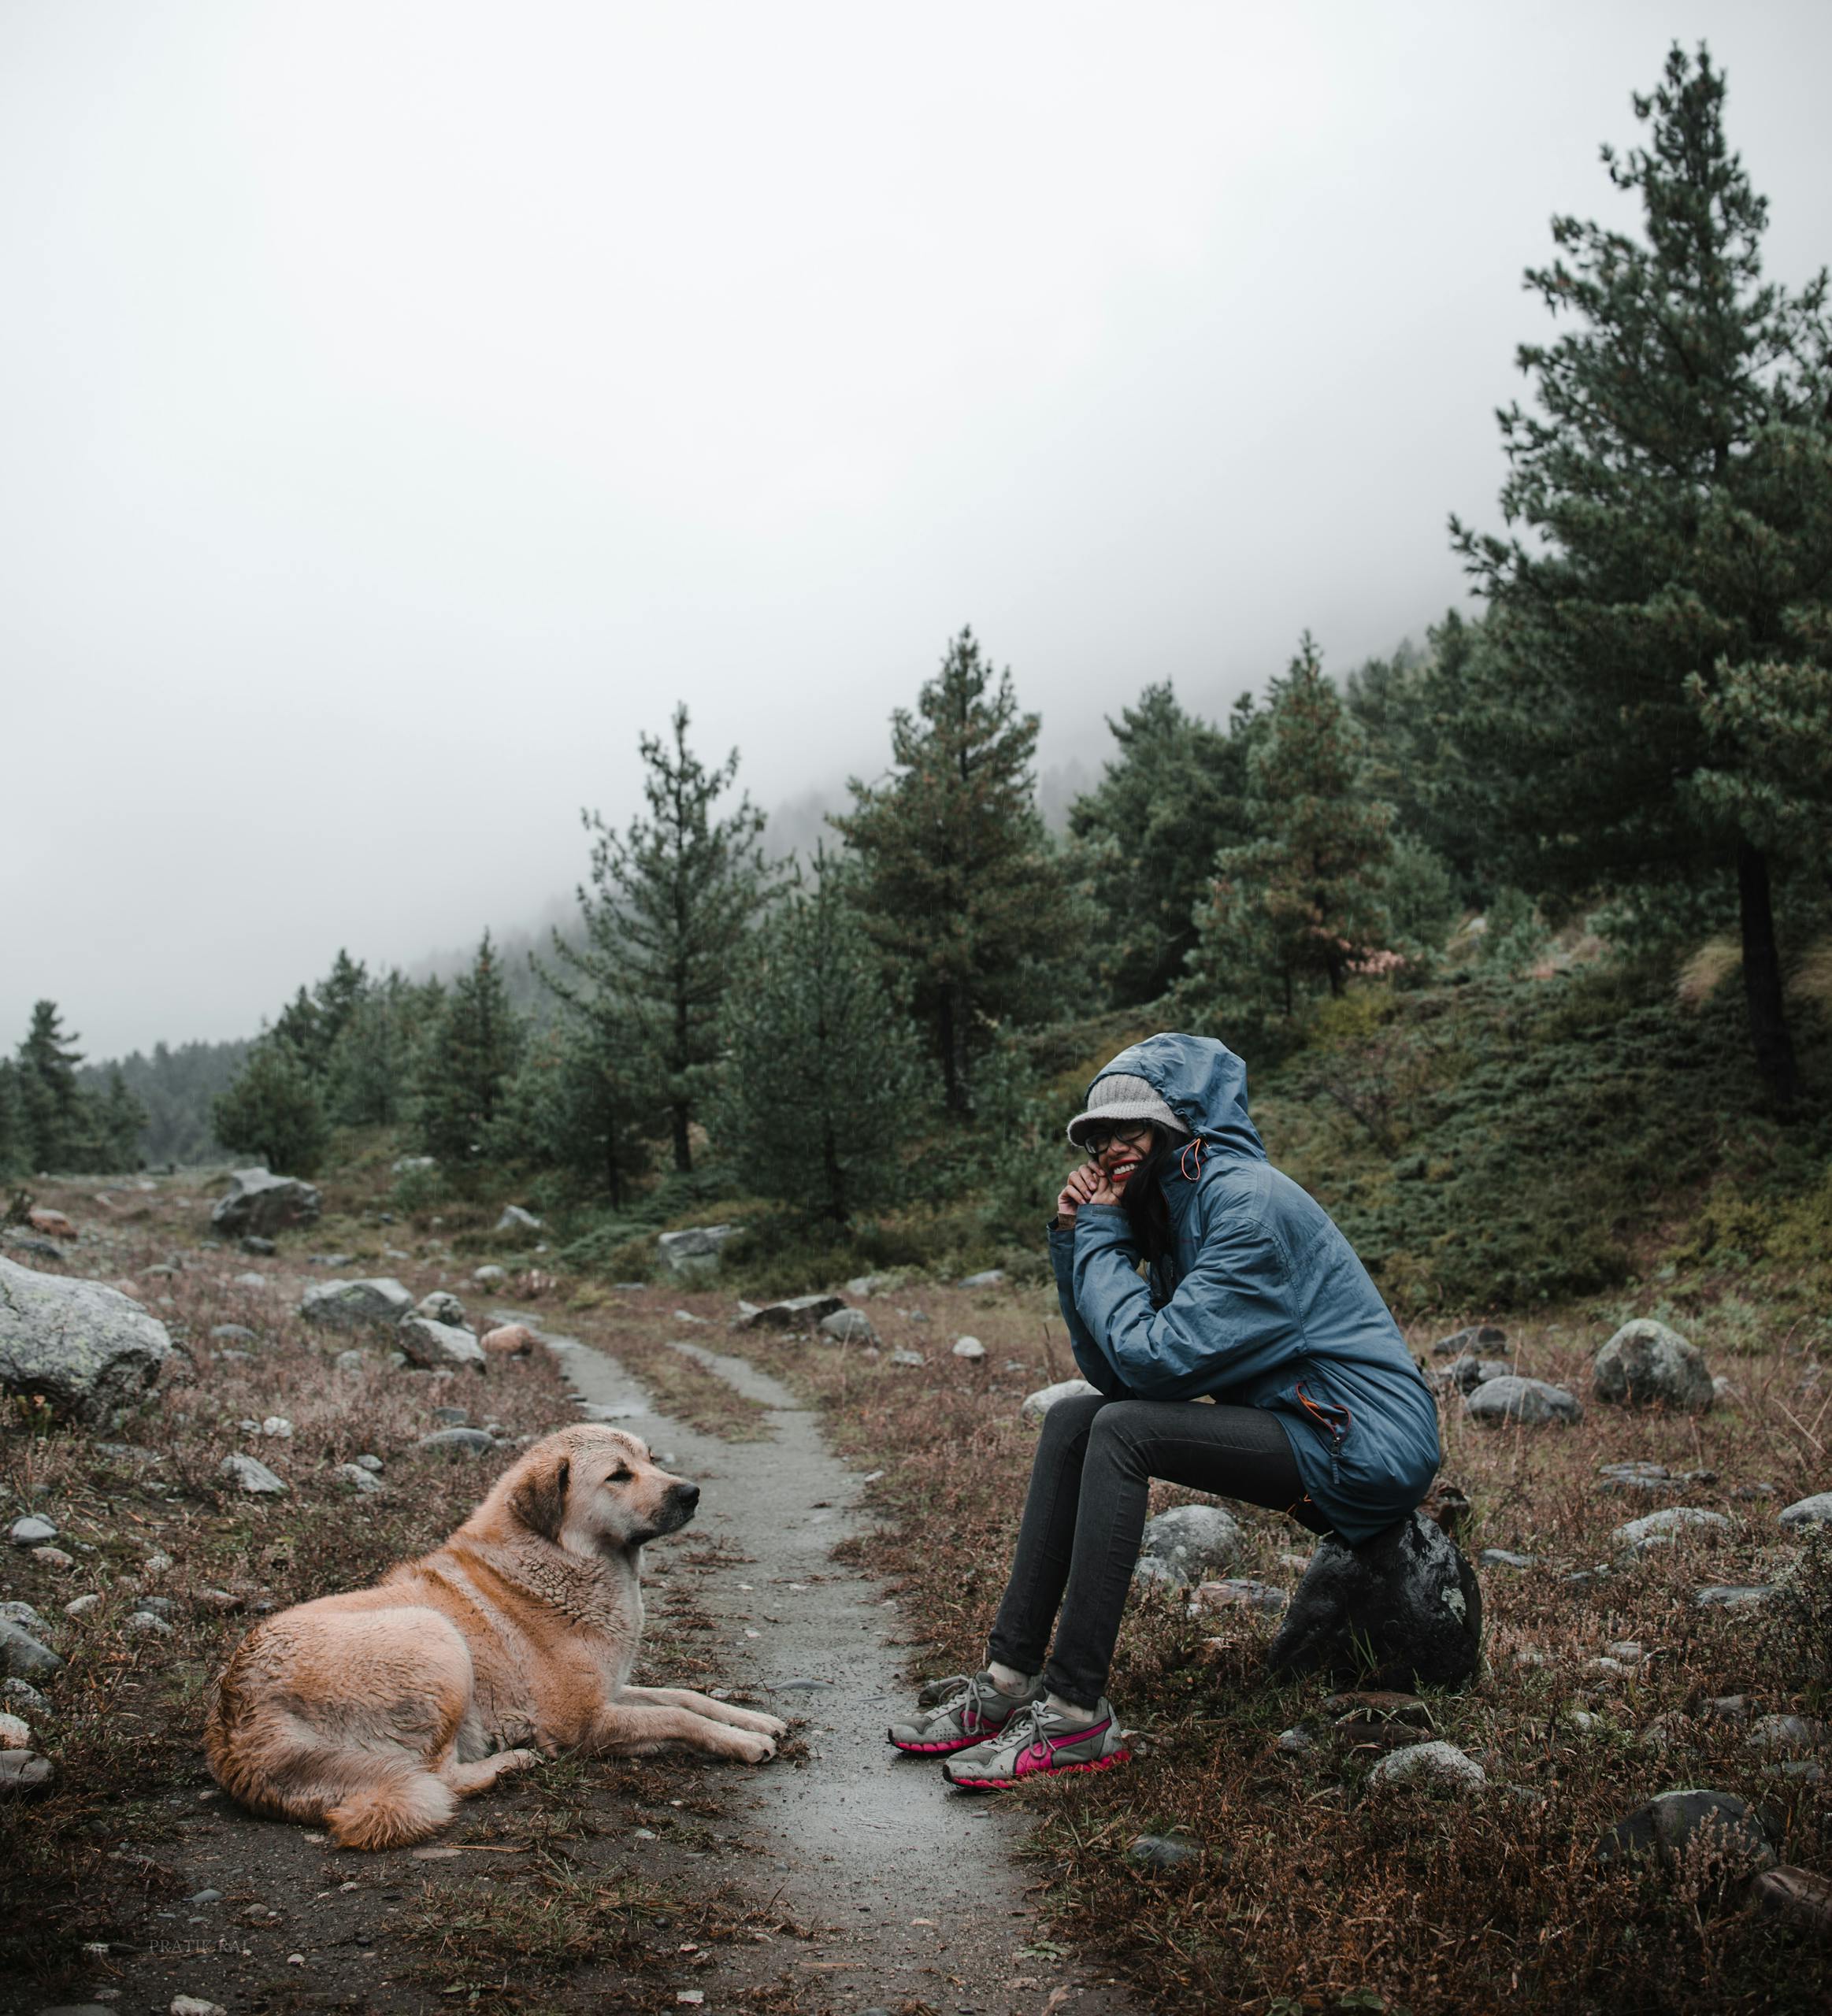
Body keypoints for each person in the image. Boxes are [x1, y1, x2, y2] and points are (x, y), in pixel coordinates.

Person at [887, 1032, 1440, 1788]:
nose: (1111, 1150)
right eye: (1099, 1135)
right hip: (1302, 1424)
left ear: (1185, 1128)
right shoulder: (1176, 1209)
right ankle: (1009, 1683)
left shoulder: (1247, 1206)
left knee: (1122, 1430)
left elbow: (1154, 1364)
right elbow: (1111, 1370)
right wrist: (1073, 1241)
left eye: (1130, 1130)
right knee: (1075, 1418)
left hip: (1362, 1442)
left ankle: (1077, 1715)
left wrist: (1104, 1236)